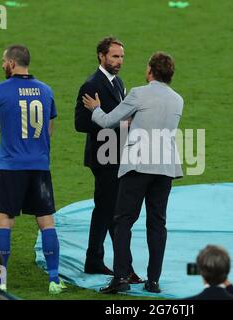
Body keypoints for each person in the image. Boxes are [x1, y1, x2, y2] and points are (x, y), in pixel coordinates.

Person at [83, 52, 184, 294]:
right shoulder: (177, 99)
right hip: (165, 167)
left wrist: (95, 109)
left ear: (150, 71)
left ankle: (120, 278)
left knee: (123, 221)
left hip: (138, 165)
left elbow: (108, 121)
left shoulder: (139, 93)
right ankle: (154, 281)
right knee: (157, 224)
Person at [0, 45, 66, 294]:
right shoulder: (46, 90)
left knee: (5, 221)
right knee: (46, 220)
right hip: (39, 165)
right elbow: (49, 130)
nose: (2, 65)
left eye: (3, 61)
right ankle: (54, 280)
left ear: (12, 62)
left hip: (11, 166)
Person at [75, 36, 141, 283]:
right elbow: (80, 123)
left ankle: (95, 259)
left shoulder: (118, 82)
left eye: (122, 56)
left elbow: (119, 118)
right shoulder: (92, 85)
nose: (120, 61)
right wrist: (109, 121)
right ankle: (124, 268)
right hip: (103, 157)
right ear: (101, 56)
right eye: (115, 56)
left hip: (115, 154)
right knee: (112, 211)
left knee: (105, 210)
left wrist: (123, 122)